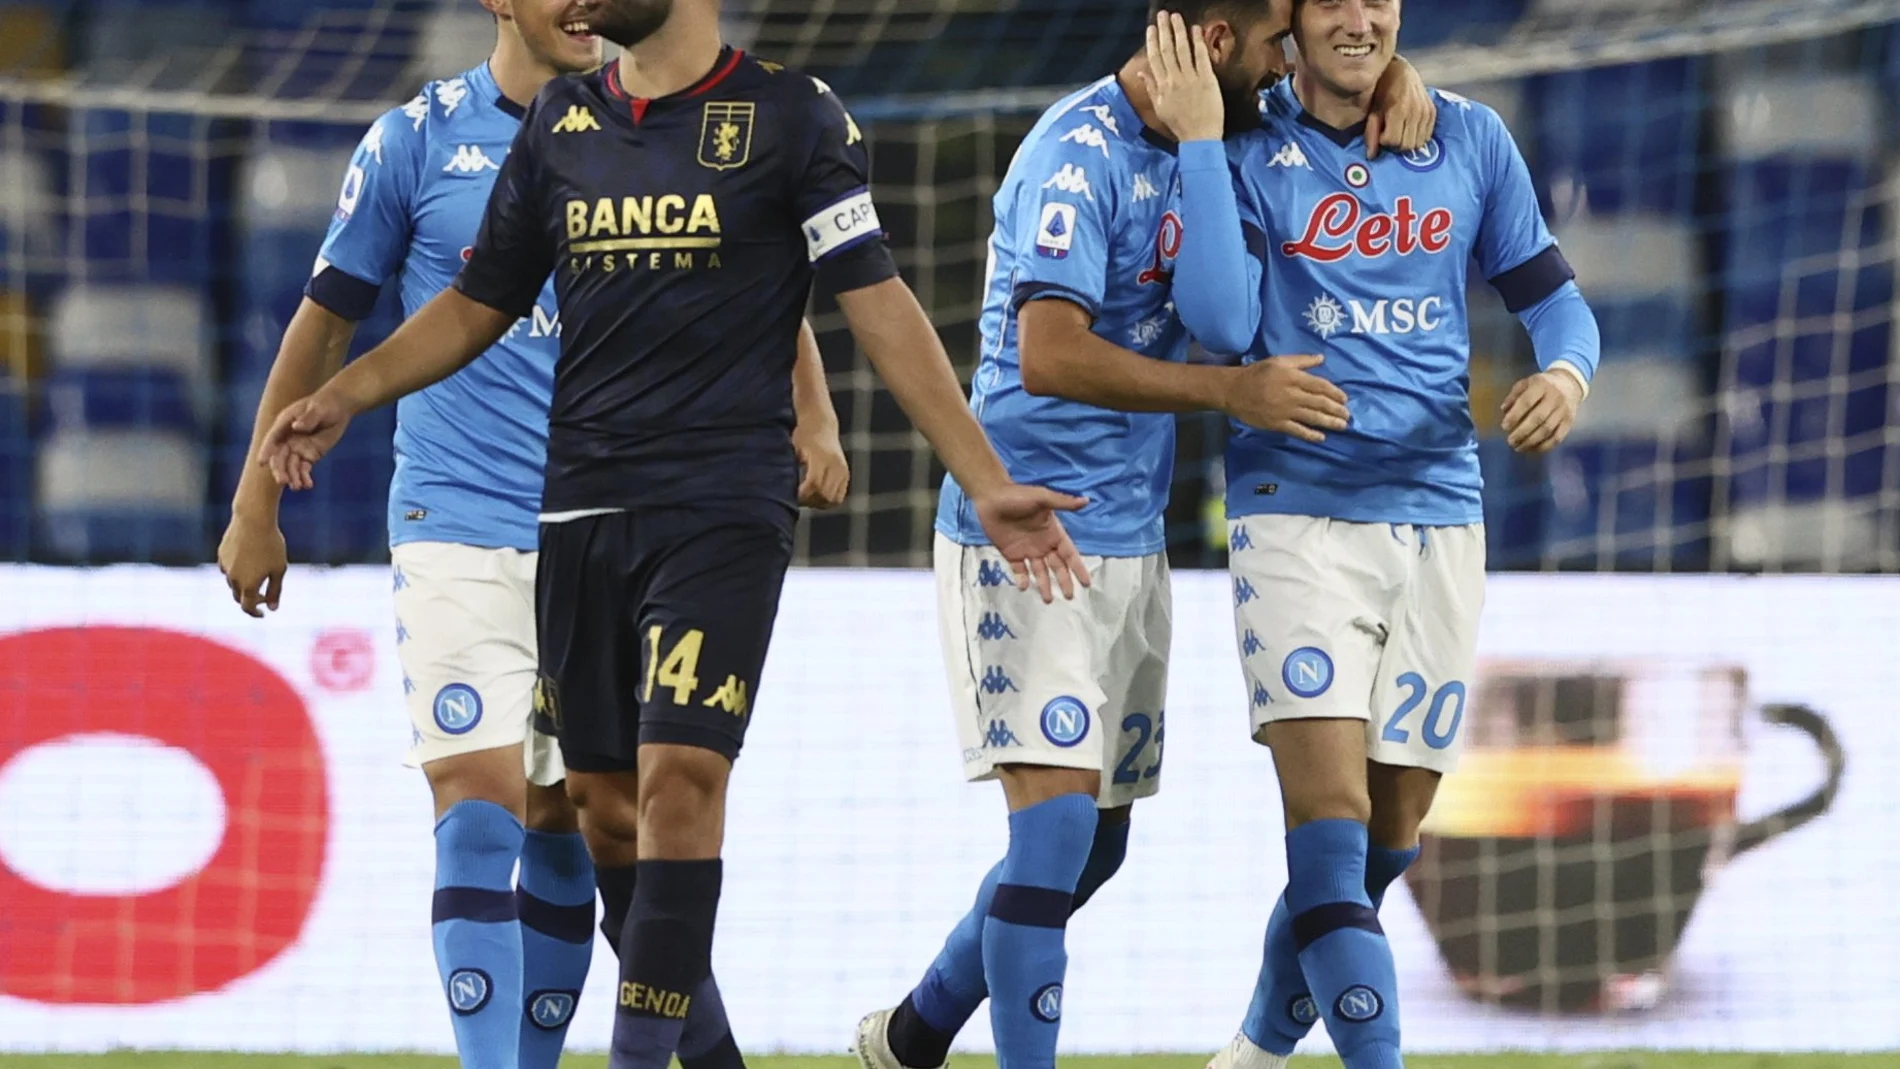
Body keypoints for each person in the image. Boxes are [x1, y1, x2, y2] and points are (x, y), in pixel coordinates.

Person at [253, 2, 1091, 1068]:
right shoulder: (559, 125)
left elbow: (876, 303)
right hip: (578, 509)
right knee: (602, 813)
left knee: (679, 780)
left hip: (720, 508)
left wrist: (983, 477)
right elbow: (478, 300)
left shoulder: (793, 115)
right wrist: (349, 395)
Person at [219, 3, 841, 1066]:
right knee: (477, 802)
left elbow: (740, 271)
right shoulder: (414, 140)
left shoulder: (651, 120)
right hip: (454, 520)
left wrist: (814, 410)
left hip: (600, 519)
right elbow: (323, 319)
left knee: (576, 823)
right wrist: (253, 501)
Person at [852, 4, 1433, 1069]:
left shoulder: (1226, 139)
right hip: (1026, 531)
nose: (1286, 64)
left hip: (1129, 536)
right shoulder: (1077, 154)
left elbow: (1339, 127)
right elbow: (1049, 353)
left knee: (1098, 846)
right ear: (1213, 43)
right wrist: (1229, 394)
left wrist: (1403, 83)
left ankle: (916, 1030)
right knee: (1057, 835)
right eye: (1272, 46)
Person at [1152, 3, 1602, 1067]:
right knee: (1330, 819)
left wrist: (1565, 374)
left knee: (1384, 848)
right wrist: (1209, 151)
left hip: (1441, 517)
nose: (1360, 19)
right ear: (1291, 20)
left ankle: (1256, 1051)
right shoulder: (1245, 146)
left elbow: (1556, 302)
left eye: (1379, 0)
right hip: (1295, 517)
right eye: (1334, 2)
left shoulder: (1470, 139)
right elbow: (1218, 324)